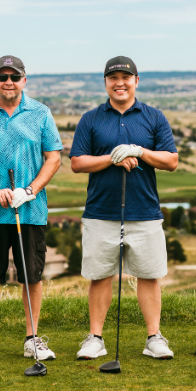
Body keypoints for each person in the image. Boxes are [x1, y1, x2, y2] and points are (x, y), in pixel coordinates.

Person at [69, 56, 179, 360]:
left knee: (149, 274)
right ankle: (95, 338)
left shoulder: (154, 117)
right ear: (105, 82)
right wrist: (113, 158)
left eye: (126, 77)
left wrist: (140, 151)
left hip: (144, 210)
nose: (120, 83)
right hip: (101, 210)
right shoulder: (91, 119)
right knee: (100, 275)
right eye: (113, 77)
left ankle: (154, 337)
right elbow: (77, 162)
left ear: (136, 81)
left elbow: (171, 160)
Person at [0, 55, 62, 363]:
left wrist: (30, 191)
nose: (8, 82)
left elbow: (54, 158)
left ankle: (32, 338)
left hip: (30, 210)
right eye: (2, 77)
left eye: (14, 77)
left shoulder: (41, 114)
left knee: (31, 275)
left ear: (24, 81)